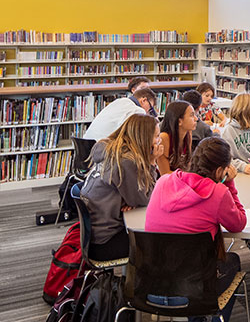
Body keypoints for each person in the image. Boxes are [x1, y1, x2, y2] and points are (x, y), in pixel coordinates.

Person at [145, 137, 246, 322]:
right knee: (232, 261)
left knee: (188, 261)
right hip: (193, 291)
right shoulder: (218, 193)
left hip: (152, 283)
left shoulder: (164, 181)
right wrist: (230, 184)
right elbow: (238, 223)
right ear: (219, 171)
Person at [80, 114, 161, 261]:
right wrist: (152, 162)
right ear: (143, 138)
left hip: (94, 232)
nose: (158, 141)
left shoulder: (111, 149)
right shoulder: (126, 162)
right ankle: (138, 284)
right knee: (159, 244)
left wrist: (129, 198)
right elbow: (146, 199)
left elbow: (136, 197)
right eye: (156, 137)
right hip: (105, 240)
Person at [220, 92, 250, 173]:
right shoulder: (229, 131)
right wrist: (243, 166)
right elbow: (225, 159)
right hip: (239, 173)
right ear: (249, 110)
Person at [84, 87, 157, 141]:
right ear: (144, 100)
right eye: (150, 108)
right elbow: (135, 139)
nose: (148, 112)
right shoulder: (138, 110)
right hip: (102, 151)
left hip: (87, 145)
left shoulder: (120, 101)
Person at [157, 100, 197, 175]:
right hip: (166, 183)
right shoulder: (164, 138)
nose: (196, 119)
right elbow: (165, 173)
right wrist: (189, 177)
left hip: (181, 180)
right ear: (179, 121)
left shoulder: (188, 134)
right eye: (191, 115)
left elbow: (187, 167)